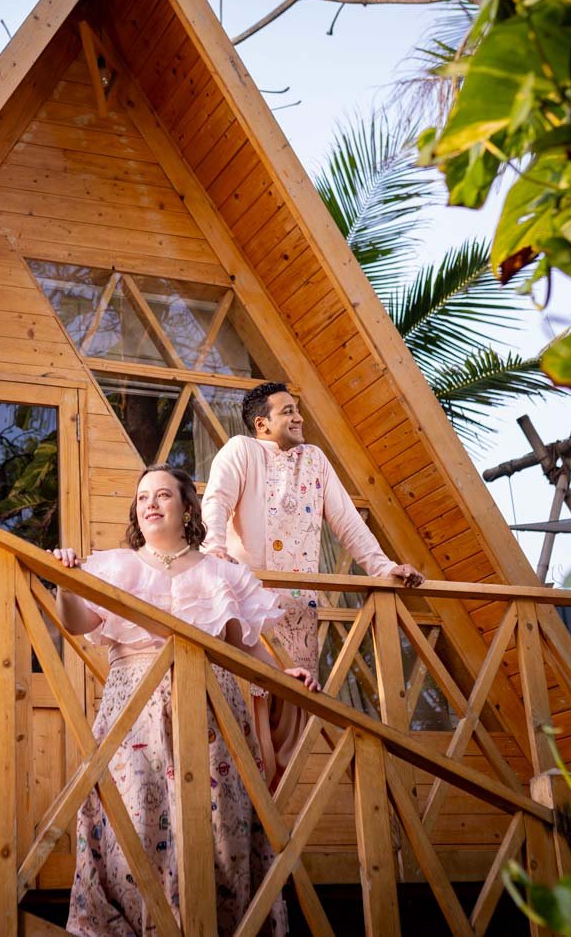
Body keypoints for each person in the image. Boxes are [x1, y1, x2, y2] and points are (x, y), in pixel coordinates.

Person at [49, 464, 314, 937]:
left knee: (218, 824)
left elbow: (245, 645)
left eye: (163, 495)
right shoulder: (115, 566)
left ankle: (220, 925)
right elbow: (77, 623)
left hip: (212, 707)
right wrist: (65, 582)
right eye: (143, 496)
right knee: (132, 817)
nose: (150, 503)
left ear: (187, 507)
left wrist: (282, 675)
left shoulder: (221, 573)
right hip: (134, 707)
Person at [200, 382, 424, 777]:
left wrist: (384, 568)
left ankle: (267, 821)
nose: (298, 416)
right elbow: (216, 500)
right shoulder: (242, 450)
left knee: (291, 724)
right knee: (243, 724)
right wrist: (214, 547)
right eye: (287, 411)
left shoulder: (315, 460)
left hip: (298, 614)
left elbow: (348, 524)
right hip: (246, 608)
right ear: (262, 424)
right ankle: (244, 818)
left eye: (297, 409)